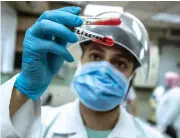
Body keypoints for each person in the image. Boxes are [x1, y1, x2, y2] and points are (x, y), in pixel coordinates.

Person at [0, 6, 165, 138]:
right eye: (95, 56)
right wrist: (23, 91)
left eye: (120, 63)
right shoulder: (38, 125)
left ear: (132, 76)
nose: (104, 69)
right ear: (81, 60)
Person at [156, 72, 180, 138]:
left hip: (172, 128)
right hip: (167, 127)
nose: (165, 82)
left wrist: (162, 126)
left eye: (167, 80)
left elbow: (172, 111)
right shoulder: (170, 91)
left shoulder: (176, 93)